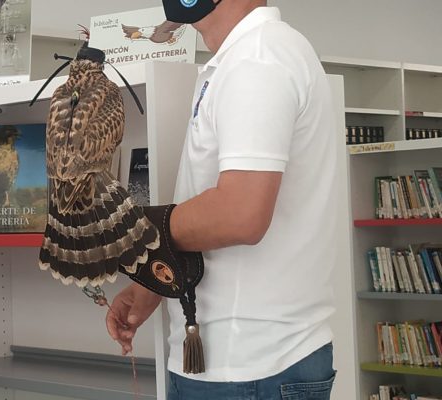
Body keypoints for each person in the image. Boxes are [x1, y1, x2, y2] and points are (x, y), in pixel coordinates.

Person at [106, 0, 339, 399]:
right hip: (240, 365)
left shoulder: (258, 59)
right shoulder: (241, 58)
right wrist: (154, 280)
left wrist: (129, 231)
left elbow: (239, 214)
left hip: (251, 370)